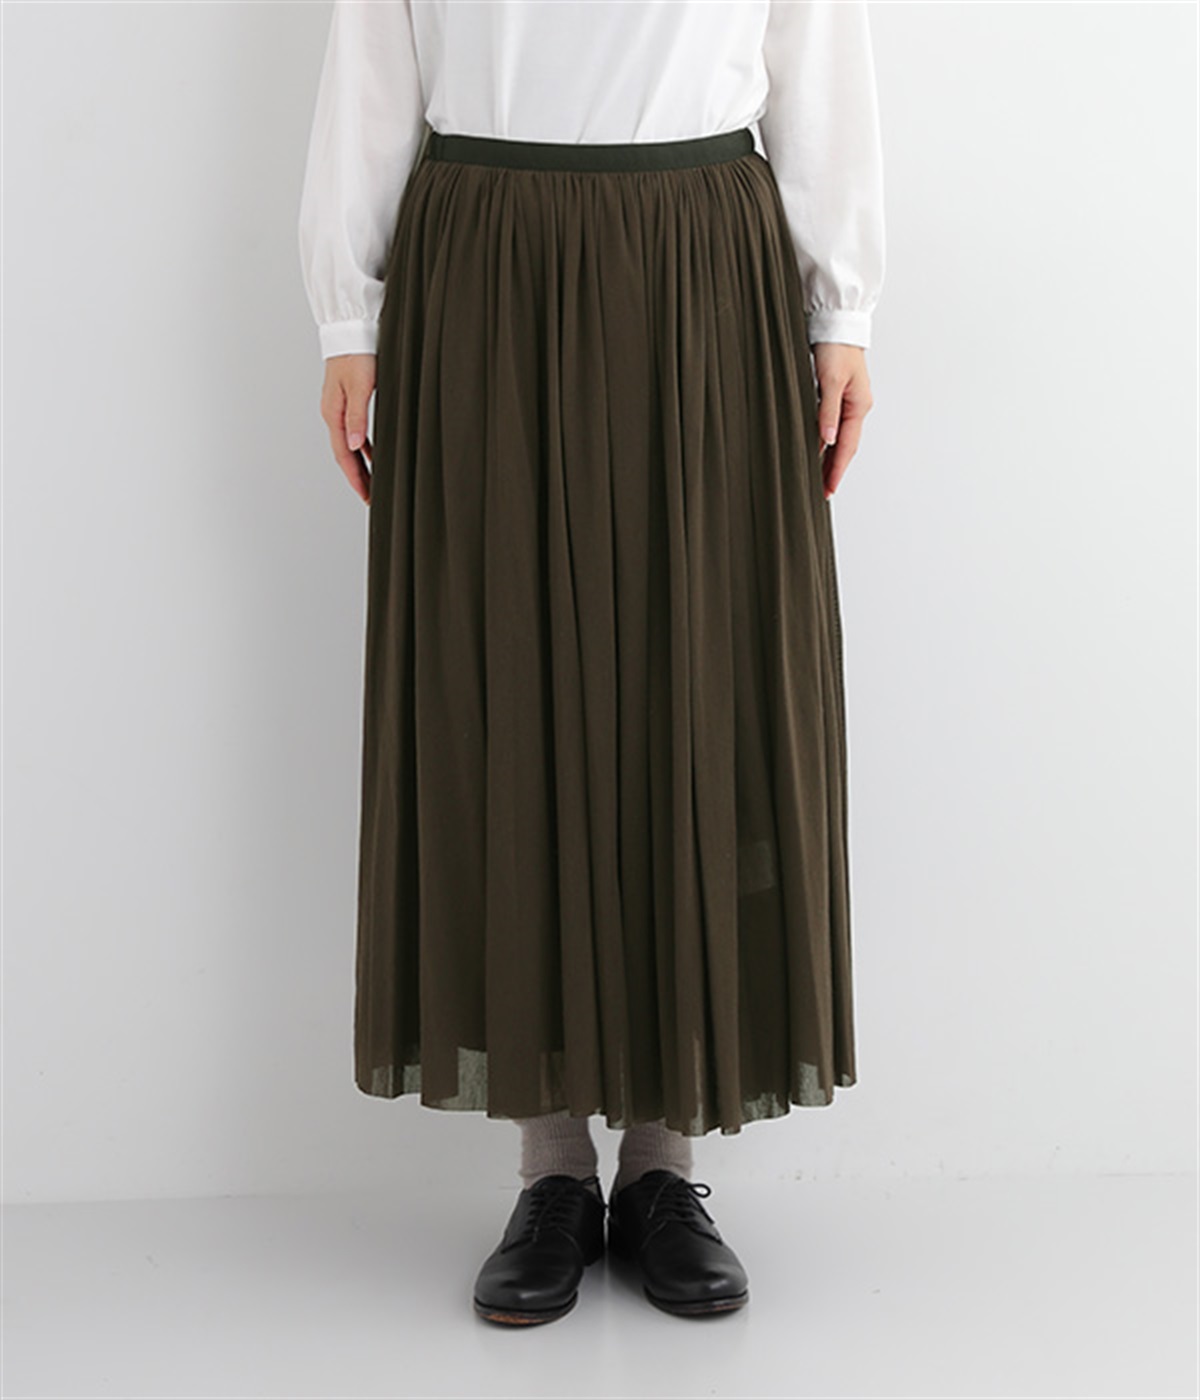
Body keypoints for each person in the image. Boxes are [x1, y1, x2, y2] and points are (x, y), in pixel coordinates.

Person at [297, 0, 884, 1326]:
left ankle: (663, 1169)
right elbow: (374, 51)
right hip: (486, 258)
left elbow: (815, 42)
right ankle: (553, 1169)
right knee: (510, 683)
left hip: (700, 257)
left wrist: (843, 303)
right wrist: (348, 316)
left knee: (694, 686)